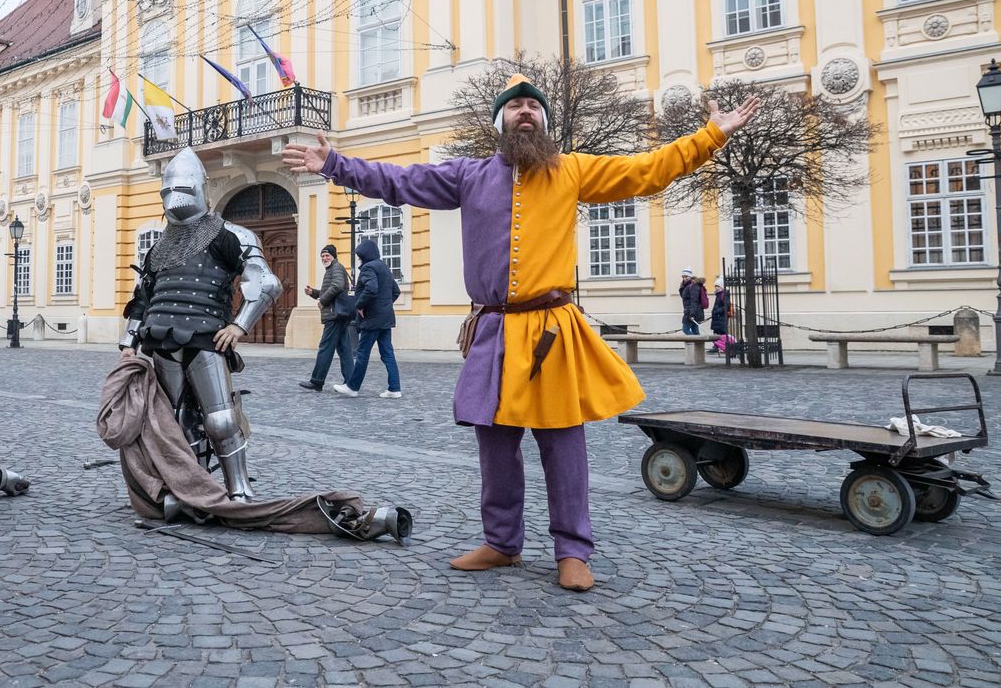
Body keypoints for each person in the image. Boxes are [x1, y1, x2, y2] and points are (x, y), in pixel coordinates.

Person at [282, 74, 759, 591]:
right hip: (492, 329)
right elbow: (402, 181)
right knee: (495, 441)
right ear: (501, 123)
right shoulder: (469, 175)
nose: (525, 111)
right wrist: (333, 164)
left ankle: (573, 551)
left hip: (552, 327)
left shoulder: (573, 170)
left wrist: (711, 134)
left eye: (533, 105)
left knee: (563, 443)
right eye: (515, 107)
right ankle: (502, 543)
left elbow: (647, 171)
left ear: (544, 121)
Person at [120, 147, 283, 502]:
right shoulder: (158, 246)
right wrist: (127, 346)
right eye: (168, 190)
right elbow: (143, 297)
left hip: (207, 337)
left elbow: (265, 282)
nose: (174, 197)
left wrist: (239, 326)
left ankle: (238, 487)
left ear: (199, 189)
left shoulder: (230, 234)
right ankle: (184, 487)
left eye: (181, 188)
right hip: (160, 338)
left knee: (221, 419)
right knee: (171, 423)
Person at [333, 240, 401, 399]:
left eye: (359, 256)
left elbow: (371, 288)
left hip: (372, 319)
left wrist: (360, 305)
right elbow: (395, 291)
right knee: (388, 354)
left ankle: (352, 387)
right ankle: (394, 388)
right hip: (385, 318)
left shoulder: (368, 268)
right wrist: (384, 306)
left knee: (362, 353)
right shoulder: (384, 267)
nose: (359, 260)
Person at [300, 244, 355, 392]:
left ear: (333, 256)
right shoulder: (332, 269)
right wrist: (313, 293)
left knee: (325, 348)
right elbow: (331, 291)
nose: (324, 258)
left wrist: (322, 301)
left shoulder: (336, 267)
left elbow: (337, 286)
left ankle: (317, 381)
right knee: (344, 349)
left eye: (327, 255)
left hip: (334, 315)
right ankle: (351, 382)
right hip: (338, 315)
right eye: (322, 256)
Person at [710, 276, 732, 353]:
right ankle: (716, 347)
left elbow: (726, 305)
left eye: (718, 286)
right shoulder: (718, 295)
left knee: (722, 333)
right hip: (717, 318)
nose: (716, 288)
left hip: (721, 317)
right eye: (716, 286)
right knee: (716, 333)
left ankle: (726, 347)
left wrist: (717, 311)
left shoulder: (724, 295)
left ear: (722, 287)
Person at [678, 268, 699, 335]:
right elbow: (683, 296)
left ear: (690, 276)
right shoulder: (686, 286)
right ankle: (699, 345)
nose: (684, 278)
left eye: (686, 276)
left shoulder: (692, 286)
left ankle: (695, 343)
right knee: (695, 331)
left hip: (691, 312)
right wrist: (681, 288)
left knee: (685, 329)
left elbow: (694, 300)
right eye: (683, 277)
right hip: (690, 311)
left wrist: (692, 314)